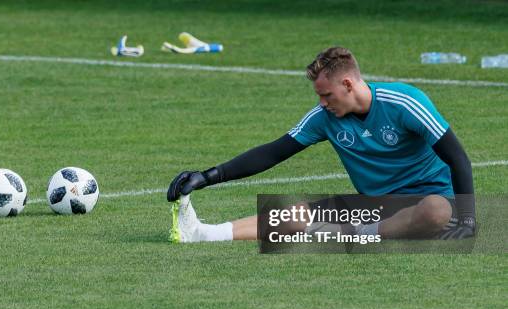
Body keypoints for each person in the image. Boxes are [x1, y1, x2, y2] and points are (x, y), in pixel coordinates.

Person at [166, 46, 475, 243]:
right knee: (294, 217)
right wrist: (209, 175)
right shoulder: (324, 117)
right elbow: (273, 152)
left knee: (436, 211)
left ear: (348, 84)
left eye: (326, 95)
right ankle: (205, 233)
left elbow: (458, 158)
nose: (322, 102)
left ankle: (358, 234)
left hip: (430, 200)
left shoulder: (406, 102)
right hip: (376, 205)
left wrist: (468, 218)